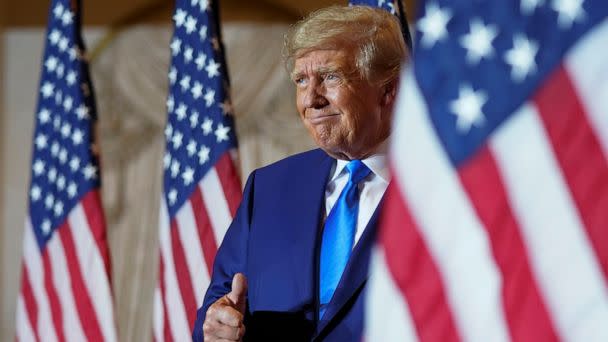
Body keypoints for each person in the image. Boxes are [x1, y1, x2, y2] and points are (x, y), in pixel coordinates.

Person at [192, 5, 408, 341]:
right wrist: (217, 328)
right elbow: (214, 314)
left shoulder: (440, 190)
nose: (311, 98)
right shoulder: (268, 189)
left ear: (388, 90)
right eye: (301, 80)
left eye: (331, 76)